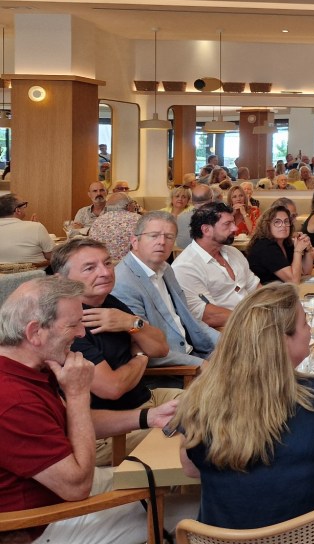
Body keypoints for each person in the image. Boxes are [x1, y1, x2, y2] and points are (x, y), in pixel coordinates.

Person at [0, 276, 195, 544]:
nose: (82, 333)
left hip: (56, 493)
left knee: (170, 481)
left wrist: (148, 417)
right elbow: (77, 486)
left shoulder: (32, 366)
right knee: (193, 510)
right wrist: (78, 394)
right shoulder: (13, 399)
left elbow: (72, 422)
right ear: (34, 332)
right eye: (73, 325)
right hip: (39, 525)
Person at [172, 283, 314, 543]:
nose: (310, 330)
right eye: (305, 323)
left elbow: (191, 469)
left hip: (229, 539)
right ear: (283, 340)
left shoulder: (198, 400)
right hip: (312, 536)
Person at [52, 238, 181, 465]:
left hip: (149, 400)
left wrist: (130, 322)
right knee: (198, 433)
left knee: (219, 403)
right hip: (113, 430)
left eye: (107, 263)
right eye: (90, 268)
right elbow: (113, 388)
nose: (105, 272)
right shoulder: (67, 324)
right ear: (61, 280)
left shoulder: (110, 302)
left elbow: (160, 348)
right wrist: (140, 357)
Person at [113, 211, 220, 367]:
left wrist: (228, 342)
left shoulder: (165, 269)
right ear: (135, 241)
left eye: (169, 237)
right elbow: (144, 348)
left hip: (197, 352)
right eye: (154, 235)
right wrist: (201, 364)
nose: (162, 242)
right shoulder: (123, 282)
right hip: (174, 369)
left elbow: (189, 319)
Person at [172, 202, 260, 329]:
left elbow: (255, 287)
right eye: (227, 224)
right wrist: (253, 319)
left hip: (252, 321)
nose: (235, 228)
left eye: (233, 222)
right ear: (206, 230)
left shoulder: (233, 252)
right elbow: (207, 315)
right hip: (226, 331)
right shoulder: (185, 266)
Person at [247, 205, 314, 284]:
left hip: (280, 289)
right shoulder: (265, 246)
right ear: (267, 225)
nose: (283, 225)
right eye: (277, 222)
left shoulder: (286, 243)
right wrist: (298, 251)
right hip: (265, 291)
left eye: (286, 221)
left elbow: (305, 273)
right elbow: (293, 281)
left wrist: (307, 250)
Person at [87, 192, 141, 263]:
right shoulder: (138, 220)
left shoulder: (97, 221)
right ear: (129, 206)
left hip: (104, 265)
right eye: (133, 203)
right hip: (132, 266)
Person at [0, 194, 52, 265]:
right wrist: (35, 228)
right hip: (35, 272)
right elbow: (51, 256)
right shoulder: (36, 227)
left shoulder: (34, 227)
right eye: (24, 206)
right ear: (18, 210)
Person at [176, 182, 213, 249]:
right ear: (211, 199)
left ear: (192, 201)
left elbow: (180, 244)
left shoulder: (181, 217)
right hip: (207, 255)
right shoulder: (215, 218)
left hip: (181, 254)